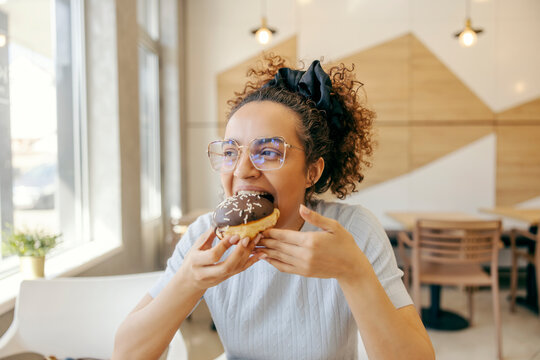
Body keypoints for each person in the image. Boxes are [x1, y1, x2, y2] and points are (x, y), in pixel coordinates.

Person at [113, 55, 435, 360]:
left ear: (313, 171)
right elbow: (126, 353)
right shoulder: (208, 237)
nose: (242, 170)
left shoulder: (351, 232)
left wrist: (353, 272)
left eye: (267, 152)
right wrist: (189, 281)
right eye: (230, 152)